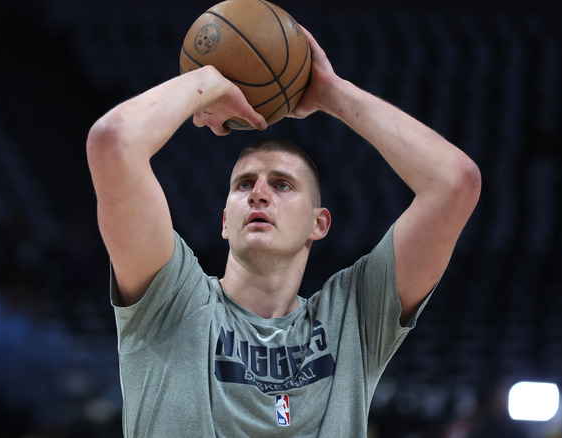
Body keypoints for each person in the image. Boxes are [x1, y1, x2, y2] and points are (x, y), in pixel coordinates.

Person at [86, 25, 481, 437]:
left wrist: (333, 93)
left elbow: (455, 183)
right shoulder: (172, 300)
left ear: (319, 223)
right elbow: (113, 143)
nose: (258, 194)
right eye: (244, 184)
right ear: (224, 221)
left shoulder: (354, 316)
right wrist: (206, 81)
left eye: (282, 184)